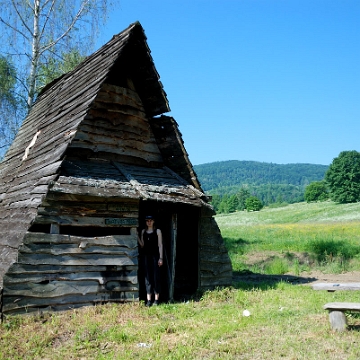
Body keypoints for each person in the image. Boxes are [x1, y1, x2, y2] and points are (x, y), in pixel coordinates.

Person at [138, 215, 163, 306]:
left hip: (155, 257)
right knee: (147, 277)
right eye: (147, 220)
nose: (149, 222)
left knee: (156, 277)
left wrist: (161, 258)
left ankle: (156, 300)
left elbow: (160, 245)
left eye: (151, 220)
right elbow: (142, 245)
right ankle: (149, 300)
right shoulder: (143, 231)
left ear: (153, 221)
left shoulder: (157, 231)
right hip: (146, 257)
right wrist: (136, 235)